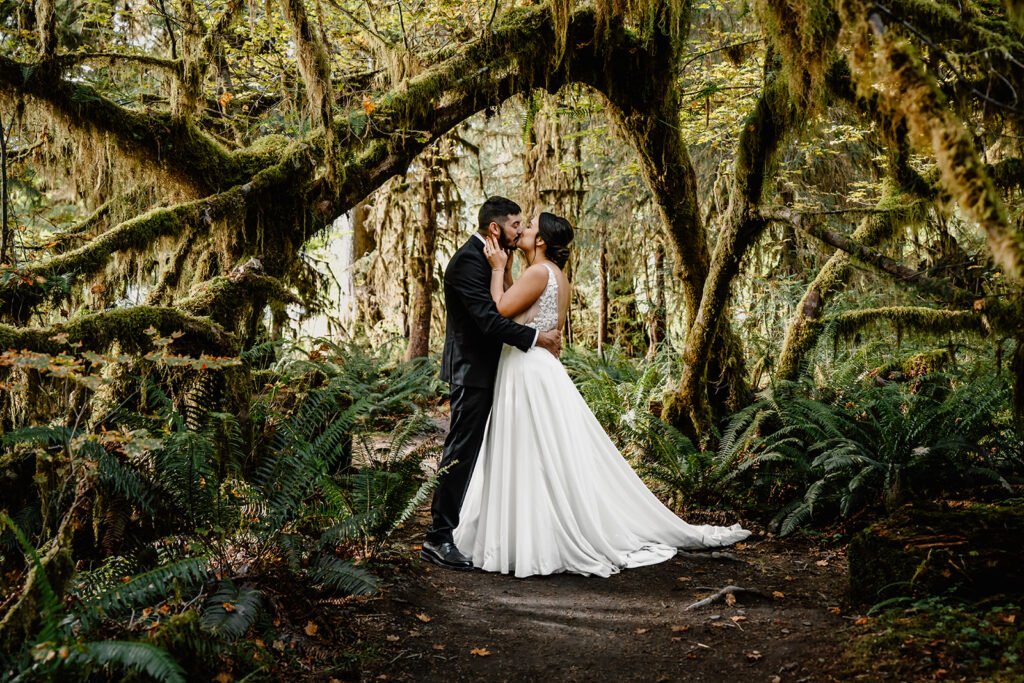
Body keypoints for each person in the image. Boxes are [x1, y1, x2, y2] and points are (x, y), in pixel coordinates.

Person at [453, 212, 751, 577]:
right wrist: (509, 269)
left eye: (529, 227)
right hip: (537, 366)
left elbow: (499, 309)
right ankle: (532, 531)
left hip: (527, 370)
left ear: (542, 240)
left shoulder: (538, 272)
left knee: (530, 450)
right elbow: (521, 311)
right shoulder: (555, 276)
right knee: (539, 452)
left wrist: (498, 268)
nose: (523, 231)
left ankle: (532, 536)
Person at [421, 197, 563, 571]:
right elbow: (489, 321)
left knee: (489, 453)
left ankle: (488, 530)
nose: (521, 230)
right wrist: (538, 339)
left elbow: (509, 304)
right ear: (495, 229)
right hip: (473, 373)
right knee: (461, 452)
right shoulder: (467, 263)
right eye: (516, 224)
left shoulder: (497, 259)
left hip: (495, 371)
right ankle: (438, 537)